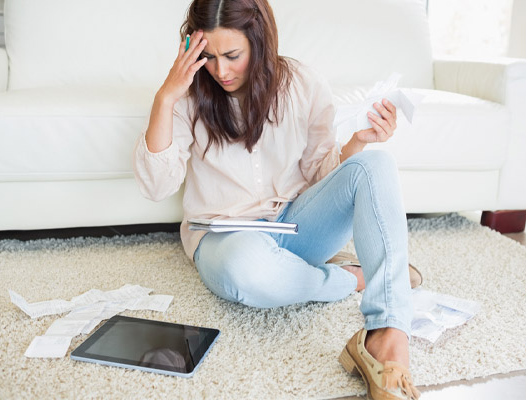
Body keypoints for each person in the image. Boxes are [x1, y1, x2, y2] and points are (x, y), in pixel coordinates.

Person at [133, 0, 420, 398]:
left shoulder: (303, 83)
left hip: (297, 224)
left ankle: (387, 338)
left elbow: (323, 173)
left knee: (377, 165)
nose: (220, 70)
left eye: (232, 55)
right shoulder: (187, 93)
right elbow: (156, 186)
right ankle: (353, 277)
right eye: (209, 56)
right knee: (247, 270)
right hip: (224, 240)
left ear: (259, 41)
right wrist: (165, 98)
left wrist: (358, 142)